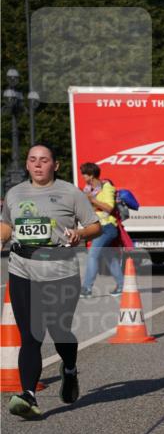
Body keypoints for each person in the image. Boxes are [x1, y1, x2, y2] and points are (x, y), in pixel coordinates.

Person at [1, 144, 101, 419]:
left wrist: (80, 234)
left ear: (55, 165)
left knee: (59, 332)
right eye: (32, 159)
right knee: (30, 335)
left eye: (44, 160)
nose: (37, 165)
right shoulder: (15, 192)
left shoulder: (71, 193)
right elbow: (7, 225)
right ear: (27, 164)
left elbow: (95, 226)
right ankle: (29, 396)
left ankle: (69, 369)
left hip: (60, 270)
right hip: (22, 268)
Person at [79, 162, 124, 298]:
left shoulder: (107, 187)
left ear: (91, 175)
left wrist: (92, 200)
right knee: (110, 258)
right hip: (97, 227)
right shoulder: (87, 189)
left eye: (84, 174)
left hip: (107, 227)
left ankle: (86, 289)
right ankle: (122, 286)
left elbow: (109, 208)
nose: (83, 177)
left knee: (93, 255)